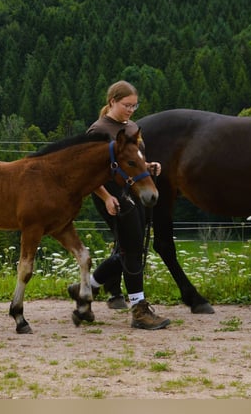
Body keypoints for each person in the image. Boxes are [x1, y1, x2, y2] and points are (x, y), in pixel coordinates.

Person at [67, 80, 171, 330]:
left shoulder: (132, 127)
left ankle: (87, 288)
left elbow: (131, 161)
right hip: (112, 196)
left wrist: (148, 167)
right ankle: (139, 310)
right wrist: (106, 198)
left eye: (134, 106)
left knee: (128, 247)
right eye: (126, 105)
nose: (131, 110)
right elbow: (87, 174)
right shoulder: (98, 131)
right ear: (112, 101)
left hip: (133, 192)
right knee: (132, 249)